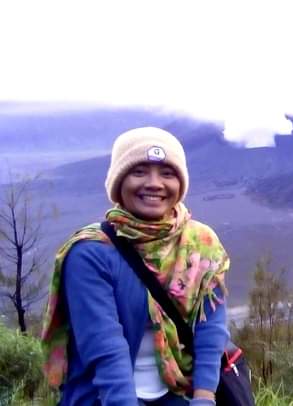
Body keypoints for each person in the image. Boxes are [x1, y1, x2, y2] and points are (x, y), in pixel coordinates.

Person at [41, 127, 230, 405]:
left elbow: (211, 326)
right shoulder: (90, 252)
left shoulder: (201, 243)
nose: (154, 183)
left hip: (181, 393)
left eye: (167, 173)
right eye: (139, 172)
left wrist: (204, 396)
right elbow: (105, 348)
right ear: (119, 182)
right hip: (104, 397)